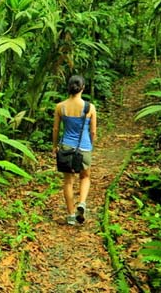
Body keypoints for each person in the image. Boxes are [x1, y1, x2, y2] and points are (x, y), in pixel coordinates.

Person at [52, 75, 97, 225]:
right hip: (84, 147)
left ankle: (71, 215)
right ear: (83, 87)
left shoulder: (60, 107)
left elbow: (56, 128)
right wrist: (91, 145)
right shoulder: (90, 107)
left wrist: (54, 146)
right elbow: (93, 132)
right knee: (85, 176)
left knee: (68, 182)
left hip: (66, 147)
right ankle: (82, 203)